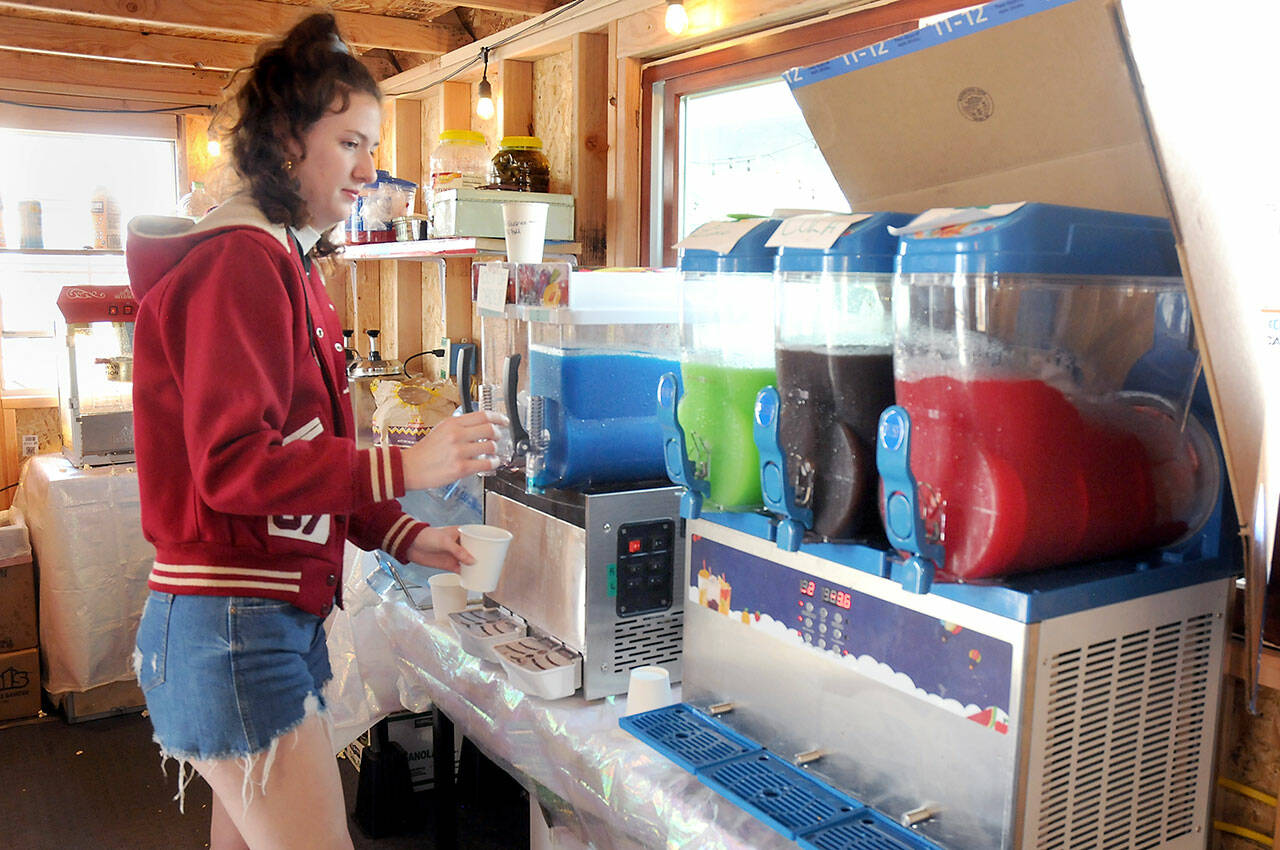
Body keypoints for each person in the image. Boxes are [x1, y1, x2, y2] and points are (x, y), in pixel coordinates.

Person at [125, 13, 502, 849]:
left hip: (254, 623)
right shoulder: (242, 262)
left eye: (374, 148)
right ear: (289, 141)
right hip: (233, 628)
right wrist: (402, 468)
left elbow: (302, 452)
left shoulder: (290, 260)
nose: (372, 170)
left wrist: (404, 533)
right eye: (353, 144)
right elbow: (234, 468)